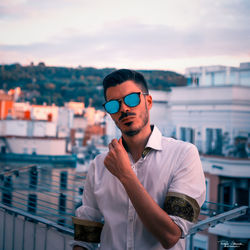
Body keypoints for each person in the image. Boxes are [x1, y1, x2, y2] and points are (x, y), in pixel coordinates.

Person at [72, 69, 206, 250]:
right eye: (113, 105)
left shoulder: (183, 155)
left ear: (148, 102)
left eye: (132, 99)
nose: (124, 109)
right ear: (110, 113)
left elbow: (171, 235)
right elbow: (85, 237)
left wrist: (126, 175)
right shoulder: (99, 165)